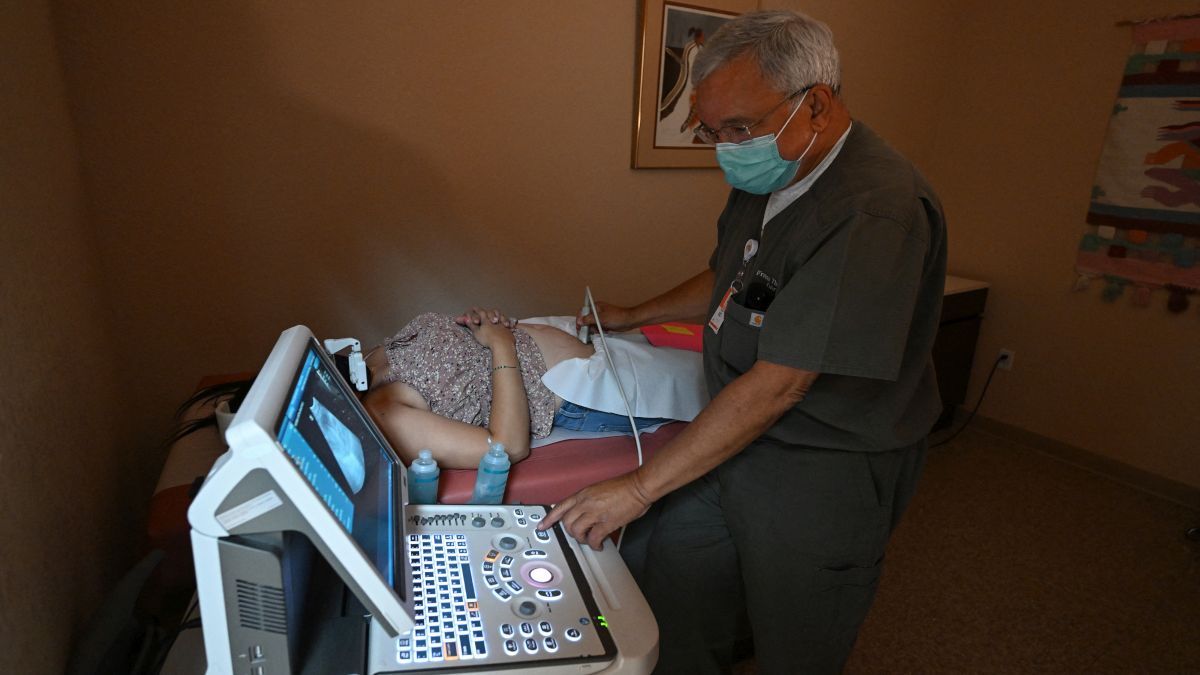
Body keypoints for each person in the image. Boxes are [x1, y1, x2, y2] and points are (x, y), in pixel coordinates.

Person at [538, 10, 947, 674]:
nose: (725, 148)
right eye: (712, 131)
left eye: (739, 129)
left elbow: (781, 383)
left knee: (797, 631)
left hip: (826, 458)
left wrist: (638, 487)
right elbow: (734, 276)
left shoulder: (874, 210)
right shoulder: (776, 173)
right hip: (741, 436)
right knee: (678, 569)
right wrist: (633, 314)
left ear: (815, 105)